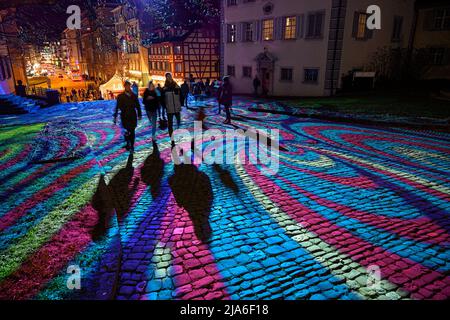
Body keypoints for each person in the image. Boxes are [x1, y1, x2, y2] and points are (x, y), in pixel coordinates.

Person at [114, 80, 142, 153]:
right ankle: (128, 142)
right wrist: (115, 115)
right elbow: (117, 106)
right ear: (124, 87)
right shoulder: (120, 96)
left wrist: (139, 114)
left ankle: (132, 145)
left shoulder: (134, 96)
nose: (128, 87)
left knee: (132, 131)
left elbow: (138, 106)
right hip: (125, 116)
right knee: (127, 131)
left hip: (132, 115)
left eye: (129, 86)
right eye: (126, 86)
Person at [162, 73, 182, 144]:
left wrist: (180, 104)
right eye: (168, 77)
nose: (169, 77)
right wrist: (165, 106)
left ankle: (178, 134)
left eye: (170, 76)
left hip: (176, 108)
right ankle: (172, 139)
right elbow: (162, 99)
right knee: (170, 125)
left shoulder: (176, 85)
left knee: (179, 122)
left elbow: (181, 95)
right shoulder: (165, 88)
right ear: (166, 78)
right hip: (169, 109)